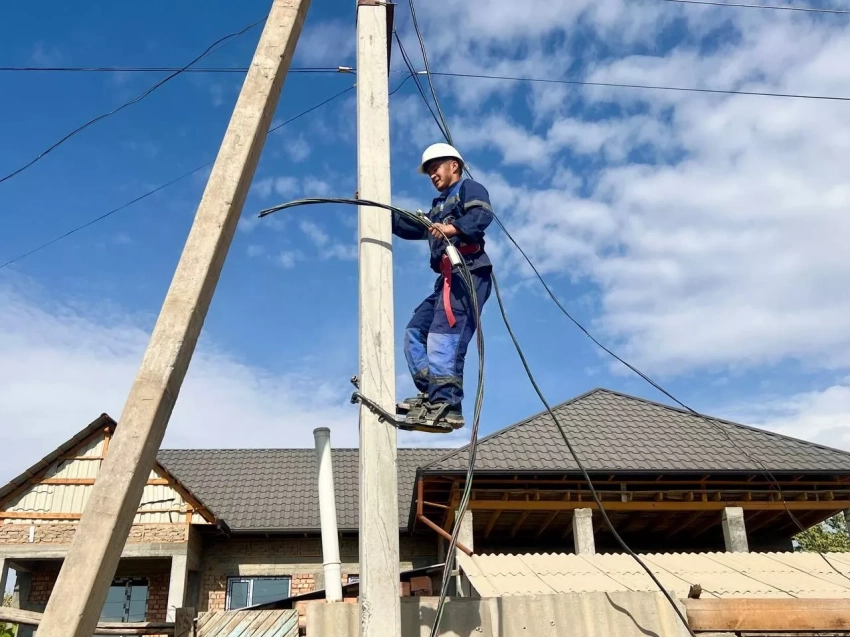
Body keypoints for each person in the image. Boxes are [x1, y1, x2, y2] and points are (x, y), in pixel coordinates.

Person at [391, 143, 494, 430]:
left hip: (468, 273)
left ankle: (448, 404)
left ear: (454, 166)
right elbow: (414, 227)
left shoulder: (468, 189)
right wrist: (376, 209)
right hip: (445, 280)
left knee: (443, 337)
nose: (432, 175)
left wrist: (451, 228)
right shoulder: (437, 207)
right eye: (429, 171)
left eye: (436, 167)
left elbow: (482, 214)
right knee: (415, 332)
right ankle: (431, 392)